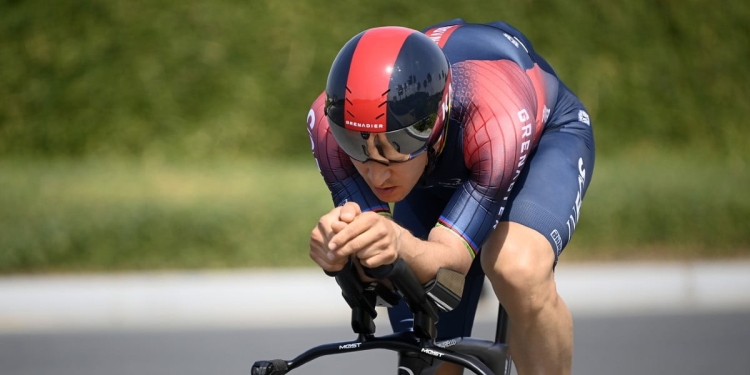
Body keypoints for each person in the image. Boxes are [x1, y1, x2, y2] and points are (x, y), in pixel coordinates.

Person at [307, 18, 594, 375]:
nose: (377, 174)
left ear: (436, 120)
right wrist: (341, 253)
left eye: (397, 146)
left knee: (517, 268)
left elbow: (452, 261)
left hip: (537, 137)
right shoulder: (327, 124)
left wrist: (397, 240)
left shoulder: (493, 117)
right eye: (356, 146)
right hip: (433, 169)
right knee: (430, 347)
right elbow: (383, 267)